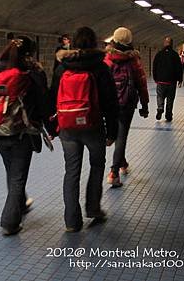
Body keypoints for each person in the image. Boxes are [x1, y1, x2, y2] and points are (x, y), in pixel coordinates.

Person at [49, 27, 119, 232]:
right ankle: (94, 208)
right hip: (93, 126)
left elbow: (52, 98)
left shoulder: (62, 67)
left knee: (71, 171)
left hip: (68, 128)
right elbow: (110, 102)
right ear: (94, 43)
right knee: (97, 166)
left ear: (73, 44)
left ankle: (71, 221)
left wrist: (54, 128)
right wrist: (112, 131)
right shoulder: (100, 67)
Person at [0, 36, 49, 236]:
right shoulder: (30, 74)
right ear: (29, 53)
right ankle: (10, 221)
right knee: (18, 176)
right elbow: (43, 101)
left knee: (11, 170)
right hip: (21, 131)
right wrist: (51, 126)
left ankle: (20, 203)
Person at [103, 27, 149, 188]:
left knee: (115, 135)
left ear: (114, 40)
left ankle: (122, 163)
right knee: (121, 136)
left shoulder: (107, 58)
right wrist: (145, 105)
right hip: (126, 102)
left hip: (109, 103)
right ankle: (114, 172)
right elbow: (142, 83)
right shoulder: (133, 59)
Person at [152, 36, 183, 122]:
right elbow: (179, 68)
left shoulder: (159, 54)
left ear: (164, 43)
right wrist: (180, 79)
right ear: (172, 44)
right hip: (171, 82)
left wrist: (155, 77)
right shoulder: (175, 55)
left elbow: (154, 66)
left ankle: (160, 107)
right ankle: (168, 115)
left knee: (160, 96)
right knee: (170, 99)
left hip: (161, 81)